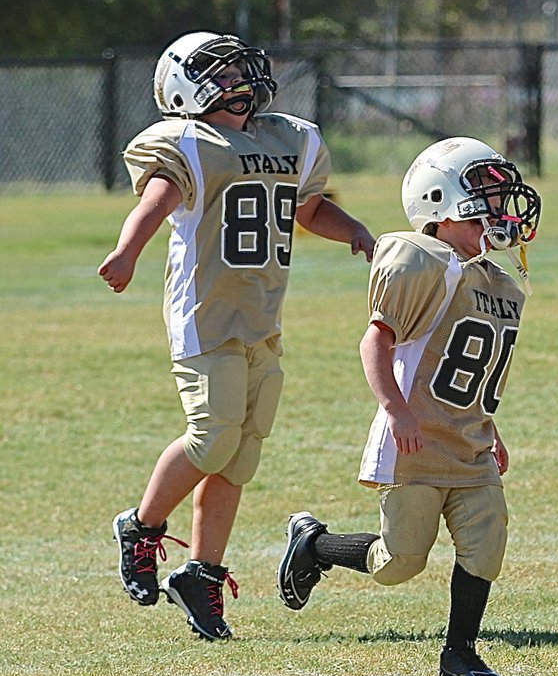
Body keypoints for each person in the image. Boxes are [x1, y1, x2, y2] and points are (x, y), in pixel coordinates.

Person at [100, 31, 375, 640]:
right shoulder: (189, 143)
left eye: (242, 74)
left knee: (241, 452)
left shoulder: (290, 138)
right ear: (183, 88)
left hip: (261, 315)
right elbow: (158, 197)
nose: (239, 85)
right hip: (206, 313)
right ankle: (141, 526)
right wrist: (127, 251)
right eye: (222, 77)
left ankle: (203, 574)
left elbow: (307, 208)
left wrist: (353, 228)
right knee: (211, 436)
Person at [276, 136, 542, 676]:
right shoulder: (418, 260)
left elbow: (470, 372)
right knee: (400, 563)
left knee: (486, 543)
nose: (497, 211)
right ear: (441, 204)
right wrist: (395, 411)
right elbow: (376, 342)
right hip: (414, 442)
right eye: (485, 198)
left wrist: (491, 430)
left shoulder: (498, 283)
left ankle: (460, 654)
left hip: (468, 443)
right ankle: (314, 545)